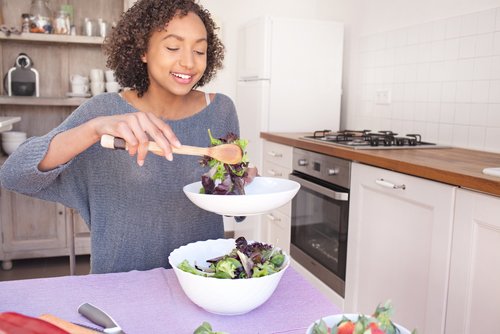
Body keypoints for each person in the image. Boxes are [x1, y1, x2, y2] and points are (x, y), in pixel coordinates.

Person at [0, 0, 241, 274]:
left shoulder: (221, 110)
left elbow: (234, 202)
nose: (189, 61)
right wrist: (92, 130)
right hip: (119, 288)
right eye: (173, 47)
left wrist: (243, 182)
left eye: (200, 49)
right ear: (143, 51)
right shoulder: (103, 112)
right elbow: (13, 175)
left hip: (203, 283)